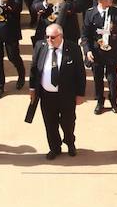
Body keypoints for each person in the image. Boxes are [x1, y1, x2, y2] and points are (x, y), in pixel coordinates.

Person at [27, 23, 86, 159]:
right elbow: (34, 69)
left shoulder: (73, 49)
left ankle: (70, 142)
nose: (49, 40)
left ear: (61, 36)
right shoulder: (40, 46)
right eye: (47, 37)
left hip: (66, 95)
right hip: (46, 95)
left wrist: (80, 94)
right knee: (50, 123)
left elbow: (80, 73)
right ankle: (55, 148)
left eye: (52, 37)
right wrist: (32, 89)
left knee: (68, 122)